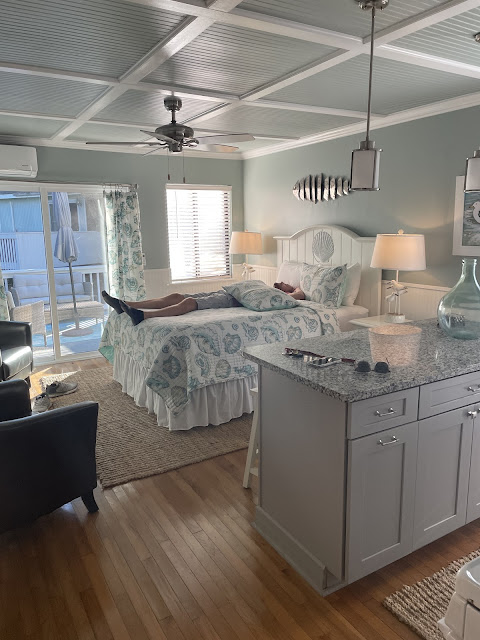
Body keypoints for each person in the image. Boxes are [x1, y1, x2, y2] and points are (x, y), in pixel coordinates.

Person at [102, 289, 241, 325]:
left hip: (235, 299)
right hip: (228, 292)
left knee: (190, 302)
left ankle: (142, 315)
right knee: (175, 297)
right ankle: (125, 304)